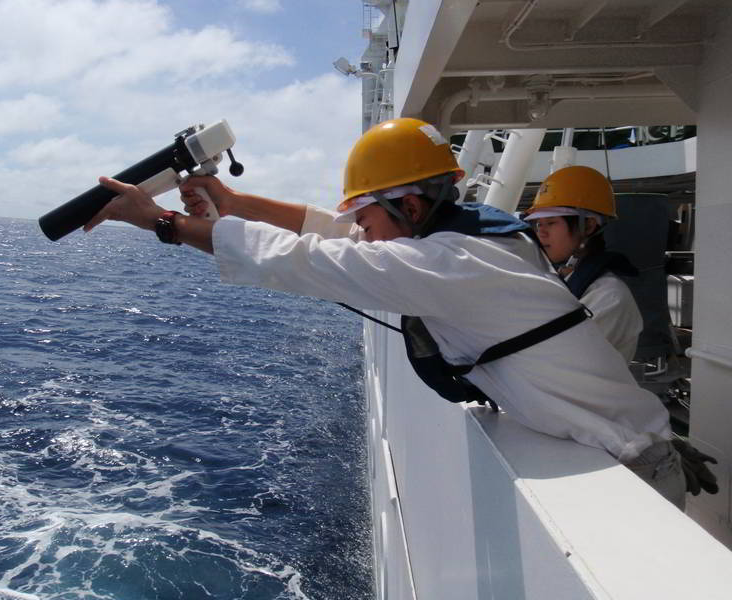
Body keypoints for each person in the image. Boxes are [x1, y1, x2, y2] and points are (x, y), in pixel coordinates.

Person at [83, 117, 686, 508]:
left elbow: (304, 259)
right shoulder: (479, 238)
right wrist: (235, 203)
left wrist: (161, 222)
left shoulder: (453, 265)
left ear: (411, 207)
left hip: (629, 467)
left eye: (367, 213)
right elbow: (338, 232)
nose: (361, 228)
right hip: (623, 447)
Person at [523, 166, 643, 362]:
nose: (541, 232)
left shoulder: (610, 296)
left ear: (587, 225)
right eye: (538, 224)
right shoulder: (565, 280)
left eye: (551, 223)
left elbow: (558, 361)